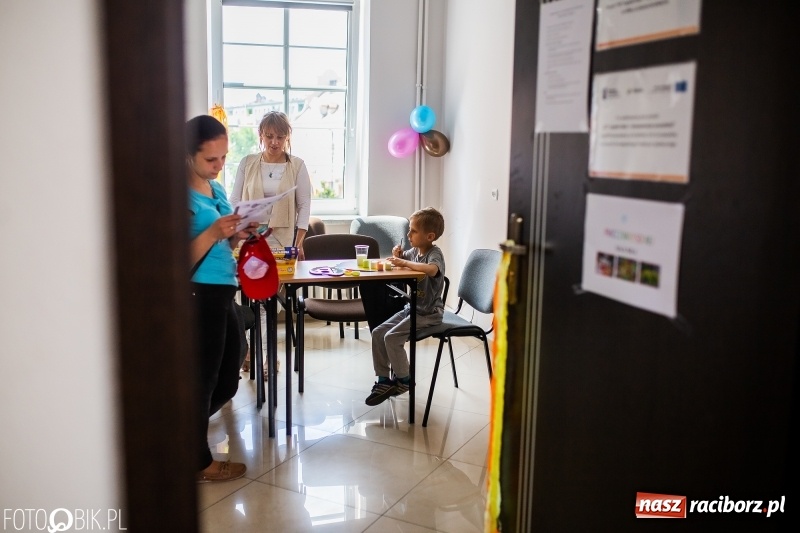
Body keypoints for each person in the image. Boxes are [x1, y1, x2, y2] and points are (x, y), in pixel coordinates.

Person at [187, 115, 257, 482]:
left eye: (224, 158)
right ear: (187, 156)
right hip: (199, 295)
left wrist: (238, 233)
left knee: (228, 378)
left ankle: (183, 436)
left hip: (223, 291)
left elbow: (222, 245)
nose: (219, 166)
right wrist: (215, 230)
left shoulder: (213, 190)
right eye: (210, 160)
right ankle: (197, 460)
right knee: (204, 379)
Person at [365, 207, 447, 406]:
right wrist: (398, 255)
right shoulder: (415, 252)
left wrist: (404, 261)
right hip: (413, 308)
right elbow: (402, 262)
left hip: (429, 313)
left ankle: (404, 380)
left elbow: (432, 270)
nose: (408, 234)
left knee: (392, 338)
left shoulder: (434, 254)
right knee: (378, 332)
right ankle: (383, 380)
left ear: (429, 236)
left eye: (413, 231)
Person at [229, 111, 312, 259]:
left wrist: (298, 244)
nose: (275, 142)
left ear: (287, 137)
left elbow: (304, 206)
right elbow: (235, 200)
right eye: (269, 136)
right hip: (250, 236)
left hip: (283, 240)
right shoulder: (247, 163)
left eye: (280, 137)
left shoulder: (297, 165)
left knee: (279, 280)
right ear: (261, 134)